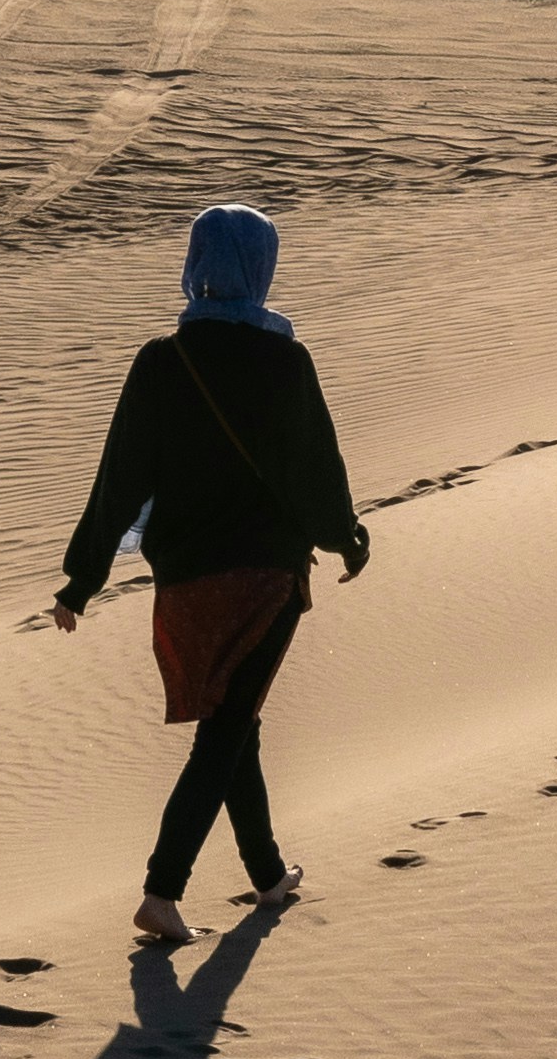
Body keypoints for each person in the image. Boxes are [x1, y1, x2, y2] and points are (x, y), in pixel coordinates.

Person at [50, 203, 368, 943]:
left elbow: (118, 478)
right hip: (265, 579)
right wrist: (345, 537)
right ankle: (162, 891)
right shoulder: (286, 361)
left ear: (197, 266)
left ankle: (266, 875)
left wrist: (81, 577)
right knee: (226, 731)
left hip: (187, 581)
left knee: (235, 722)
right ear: (262, 266)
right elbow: (318, 467)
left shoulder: (162, 360)